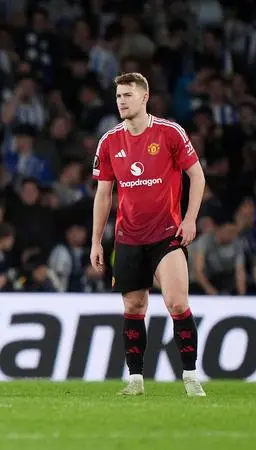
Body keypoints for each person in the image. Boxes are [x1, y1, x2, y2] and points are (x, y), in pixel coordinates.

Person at [90, 72, 207, 397]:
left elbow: (197, 177)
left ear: (144, 97)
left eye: (127, 95)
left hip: (166, 234)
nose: (121, 101)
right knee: (134, 307)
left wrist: (190, 219)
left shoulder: (169, 132)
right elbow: (104, 194)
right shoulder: (110, 141)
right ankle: (135, 380)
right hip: (128, 237)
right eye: (118, 96)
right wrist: (96, 240)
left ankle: (190, 377)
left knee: (177, 303)